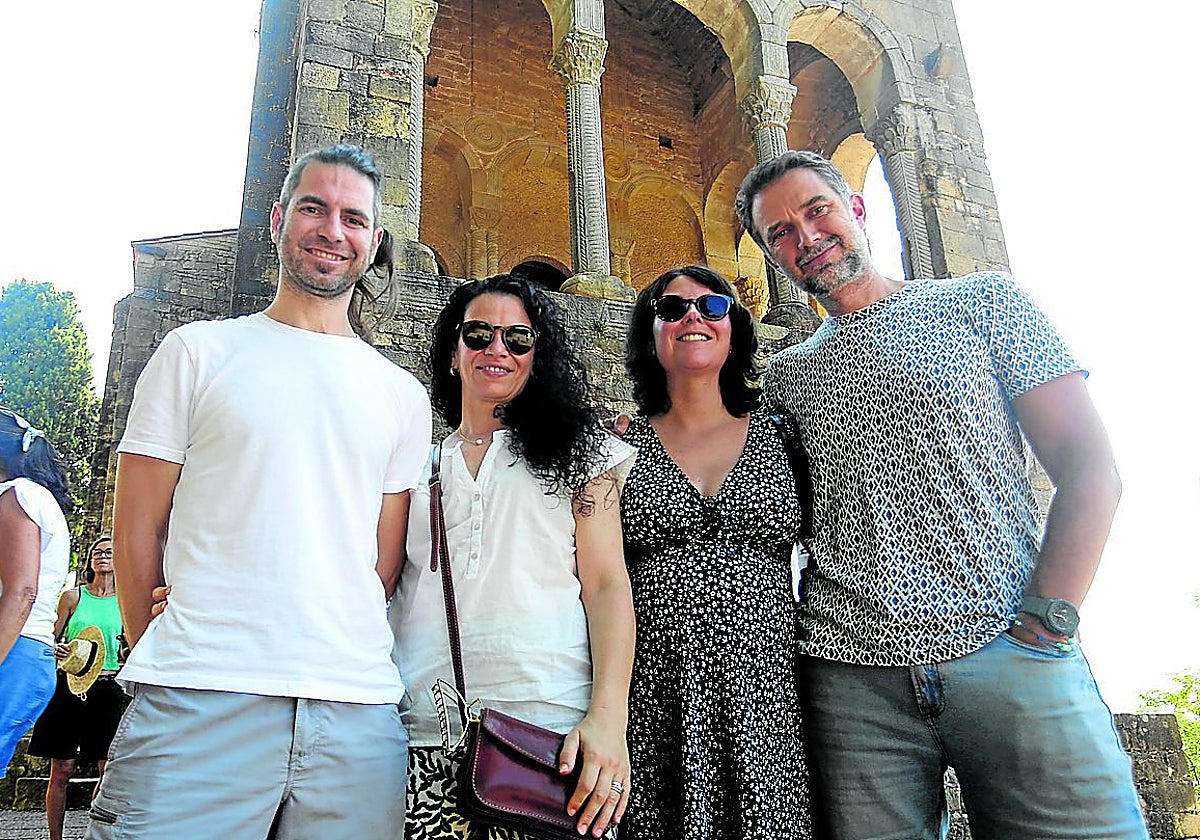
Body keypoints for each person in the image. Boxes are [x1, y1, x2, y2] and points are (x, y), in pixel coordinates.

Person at [735, 149, 1148, 839]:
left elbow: (1089, 465)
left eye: (817, 211)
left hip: (1007, 649)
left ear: (857, 209)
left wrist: (1049, 622)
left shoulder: (982, 302)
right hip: (854, 680)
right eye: (779, 232)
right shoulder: (786, 376)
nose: (805, 237)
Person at [88, 144, 432, 839]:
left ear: (373, 242)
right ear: (279, 218)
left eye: (352, 218)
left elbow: (382, 560)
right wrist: (158, 636)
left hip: (355, 713)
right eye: (313, 207)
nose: (331, 230)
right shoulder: (197, 352)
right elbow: (136, 526)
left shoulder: (401, 396)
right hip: (201, 696)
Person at [391, 274, 636, 839]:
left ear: (536, 357)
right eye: (478, 335)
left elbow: (605, 585)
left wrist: (608, 718)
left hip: (553, 735)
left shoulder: (586, 458)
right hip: (425, 732)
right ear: (453, 353)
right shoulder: (409, 469)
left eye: (518, 340)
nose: (497, 349)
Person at [617, 265, 811, 839]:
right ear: (651, 334)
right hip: (655, 694)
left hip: (773, 694)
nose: (693, 317)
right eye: (672, 310)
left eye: (712, 306)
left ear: (735, 326)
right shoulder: (618, 445)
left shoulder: (784, 435)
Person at [29, 535, 126, 840]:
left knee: (106, 769)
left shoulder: (126, 599)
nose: (102, 556)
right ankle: (55, 837)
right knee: (62, 768)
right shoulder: (73, 597)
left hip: (108, 688)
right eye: (97, 552)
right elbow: (50, 637)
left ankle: (91, 833)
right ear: (90, 560)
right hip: (69, 685)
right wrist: (57, 649)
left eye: (109, 552)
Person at [0, 408, 72, 779]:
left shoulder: (17, 495)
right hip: (25, 651)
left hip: (14, 649)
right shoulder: (36, 497)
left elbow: (22, 590)